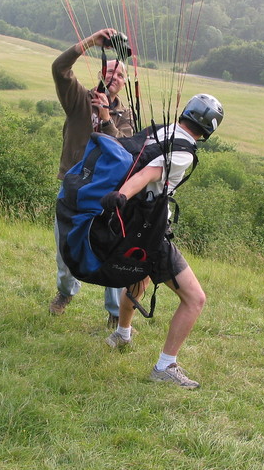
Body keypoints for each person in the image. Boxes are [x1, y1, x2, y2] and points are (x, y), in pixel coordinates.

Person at [102, 93, 224, 389]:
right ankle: (165, 366)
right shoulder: (184, 152)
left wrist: (122, 198)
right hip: (150, 229)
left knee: (140, 279)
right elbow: (147, 173)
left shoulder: (164, 130)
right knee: (195, 299)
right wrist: (123, 195)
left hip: (133, 223)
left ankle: (122, 333)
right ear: (210, 128)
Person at [49, 28, 135, 327]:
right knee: (66, 250)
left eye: (120, 75)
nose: (114, 77)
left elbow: (126, 151)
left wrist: (108, 118)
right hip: (73, 190)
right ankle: (65, 292)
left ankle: (114, 314)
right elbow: (59, 69)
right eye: (110, 70)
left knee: (112, 252)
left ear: (124, 83)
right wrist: (90, 42)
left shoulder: (125, 116)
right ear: (102, 70)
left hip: (106, 195)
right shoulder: (78, 101)